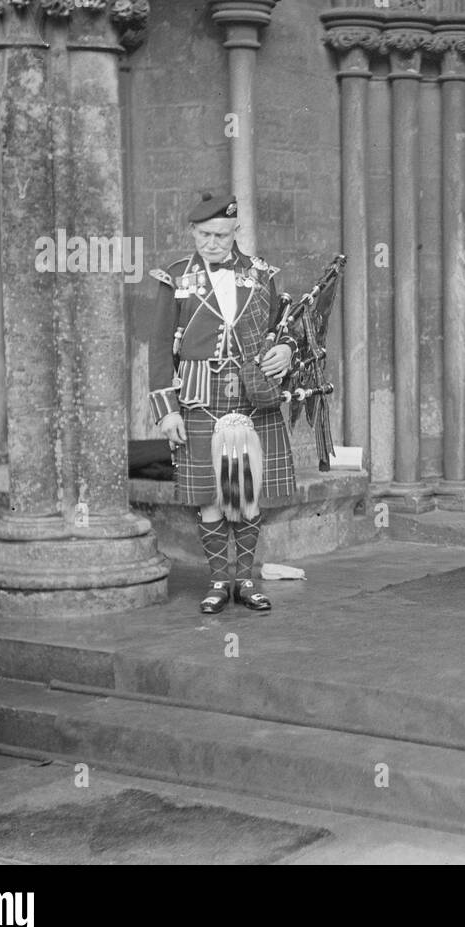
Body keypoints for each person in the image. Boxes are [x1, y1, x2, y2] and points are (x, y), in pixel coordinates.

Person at [148, 193, 298, 613]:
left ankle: (245, 580)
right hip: (198, 397)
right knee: (211, 496)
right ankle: (217, 581)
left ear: (236, 232)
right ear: (193, 232)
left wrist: (285, 351)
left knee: (245, 493)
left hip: (252, 395)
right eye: (203, 235)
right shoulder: (174, 278)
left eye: (220, 235)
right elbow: (159, 348)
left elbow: (280, 330)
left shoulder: (261, 274)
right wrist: (166, 410)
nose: (212, 243)